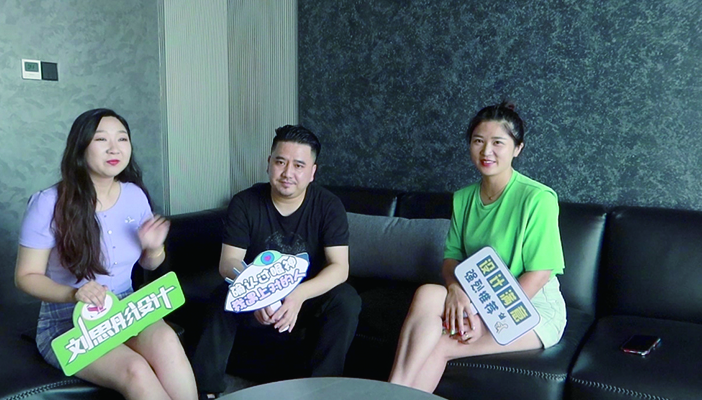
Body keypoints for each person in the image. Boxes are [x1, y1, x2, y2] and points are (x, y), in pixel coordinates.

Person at [15, 108, 198, 400]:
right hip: (68, 321)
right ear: (80, 147)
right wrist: (73, 294)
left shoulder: (134, 195)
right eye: (101, 139)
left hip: (127, 309)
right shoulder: (48, 203)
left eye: (122, 139)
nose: (115, 148)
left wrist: (154, 247)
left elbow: (150, 263)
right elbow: (26, 276)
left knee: (166, 339)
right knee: (135, 369)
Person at [388, 102, 567, 393]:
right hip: (480, 295)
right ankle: (390, 391)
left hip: (529, 307)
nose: (486, 151)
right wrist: (455, 289)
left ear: (517, 148)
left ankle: (390, 394)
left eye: (498, 143)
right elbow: (451, 259)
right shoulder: (463, 198)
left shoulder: (538, 199)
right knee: (428, 293)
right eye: (478, 141)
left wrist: (488, 320)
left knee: (441, 343)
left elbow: (539, 275)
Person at [193, 125, 361, 398]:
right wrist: (256, 292)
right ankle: (205, 390)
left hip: (305, 298)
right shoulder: (245, 202)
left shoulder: (328, 206)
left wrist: (298, 295)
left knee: (346, 299)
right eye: (280, 162)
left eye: (298, 165)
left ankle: (323, 391)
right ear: (268, 163)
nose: (287, 173)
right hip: (257, 294)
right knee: (222, 294)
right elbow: (229, 261)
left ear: (312, 172)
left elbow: (340, 267)